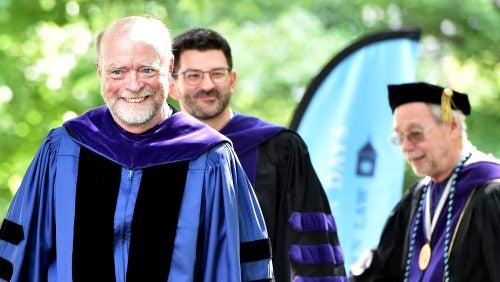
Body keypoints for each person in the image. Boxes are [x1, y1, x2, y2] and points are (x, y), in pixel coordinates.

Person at [0, 15, 274, 282]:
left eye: (147, 70)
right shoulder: (62, 149)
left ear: (169, 68)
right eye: (118, 71)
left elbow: (240, 265)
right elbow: (18, 256)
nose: (133, 85)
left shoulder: (211, 157)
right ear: (100, 71)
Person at [170, 27, 347, 282]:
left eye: (217, 74)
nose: (207, 85)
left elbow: (312, 245)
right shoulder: (159, 155)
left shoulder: (280, 149)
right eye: (193, 75)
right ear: (172, 86)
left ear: (232, 80)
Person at [349, 82, 500, 281]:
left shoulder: (490, 193)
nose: (406, 146)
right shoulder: (417, 198)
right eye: (399, 137)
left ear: (452, 126)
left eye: (415, 134)